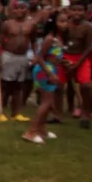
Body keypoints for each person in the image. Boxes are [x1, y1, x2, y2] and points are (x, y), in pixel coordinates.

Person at [23, 10, 71, 145]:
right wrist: (50, 73)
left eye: (66, 21)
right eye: (61, 21)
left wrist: (63, 62)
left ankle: (42, 129)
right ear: (54, 23)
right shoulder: (50, 39)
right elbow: (40, 57)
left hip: (53, 69)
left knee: (49, 102)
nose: (64, 24)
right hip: (44, 70)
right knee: (46, 102)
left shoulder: (60, 39)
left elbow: (54, 56)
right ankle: (31, 131)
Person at [0, 0, 35, 122]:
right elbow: (0, 41)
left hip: (23, 57)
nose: (20, 10)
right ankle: (1, 111)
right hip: (9, 56)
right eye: (17, 8)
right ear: (13, 10)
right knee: (5, 85)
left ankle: (16, 112)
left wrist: (35, 56)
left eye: (22, 8)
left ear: (27, 10)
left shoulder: (31, 24)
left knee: (19, 86)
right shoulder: (7, 24)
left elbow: (34, 41)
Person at [62, 0, 92, 128]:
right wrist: (64, 60)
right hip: (65, 56)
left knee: (85, 86)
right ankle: (65, 109)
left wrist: (78, 63)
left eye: (80, 10)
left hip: (81, 57)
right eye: (74, 10)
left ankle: (85, 110)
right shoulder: (65, 25)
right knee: (62, 84)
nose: (77, 13)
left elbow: (88, 47)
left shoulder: (88, 27)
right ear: (69, 11)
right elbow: (60, 42)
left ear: (85, 12)